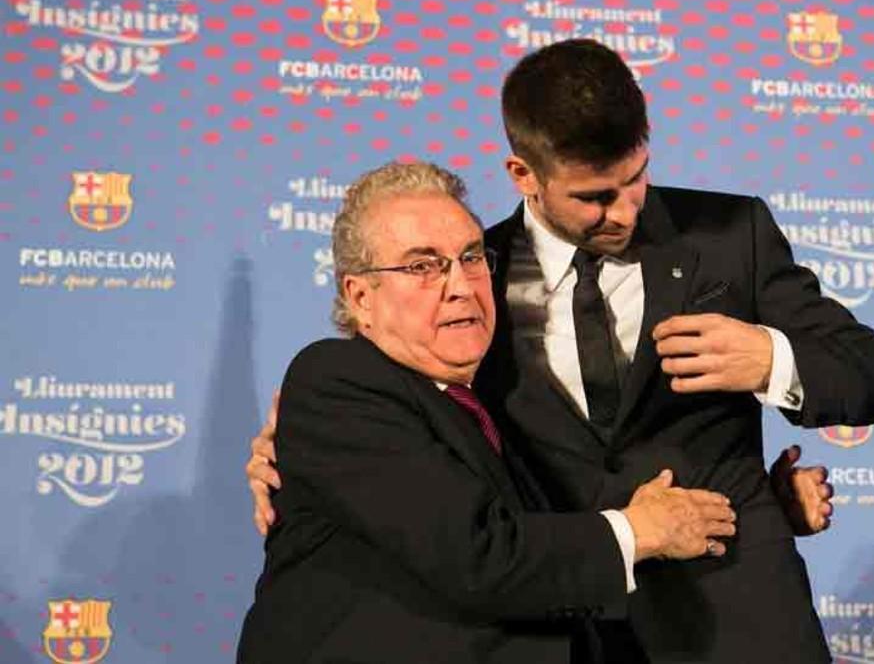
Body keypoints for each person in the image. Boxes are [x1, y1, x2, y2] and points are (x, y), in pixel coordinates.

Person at [249, 39, 874, 662]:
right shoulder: (477, 276)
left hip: (739, 619)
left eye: (637, 178)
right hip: (566, 628)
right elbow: (408, 418)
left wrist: (772, 360)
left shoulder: (730, 237)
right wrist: (286, 457)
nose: (625, 211)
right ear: (524, 175)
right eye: (593, 197)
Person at [236, 162, 740, 664]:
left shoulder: (493, 404)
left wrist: (769, 499)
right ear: (360, 297)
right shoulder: (338, 379)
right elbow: (479, 556)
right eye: (421, 266)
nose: (460, 285)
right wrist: (638, 530)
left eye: (471, 256)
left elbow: (555, 538)